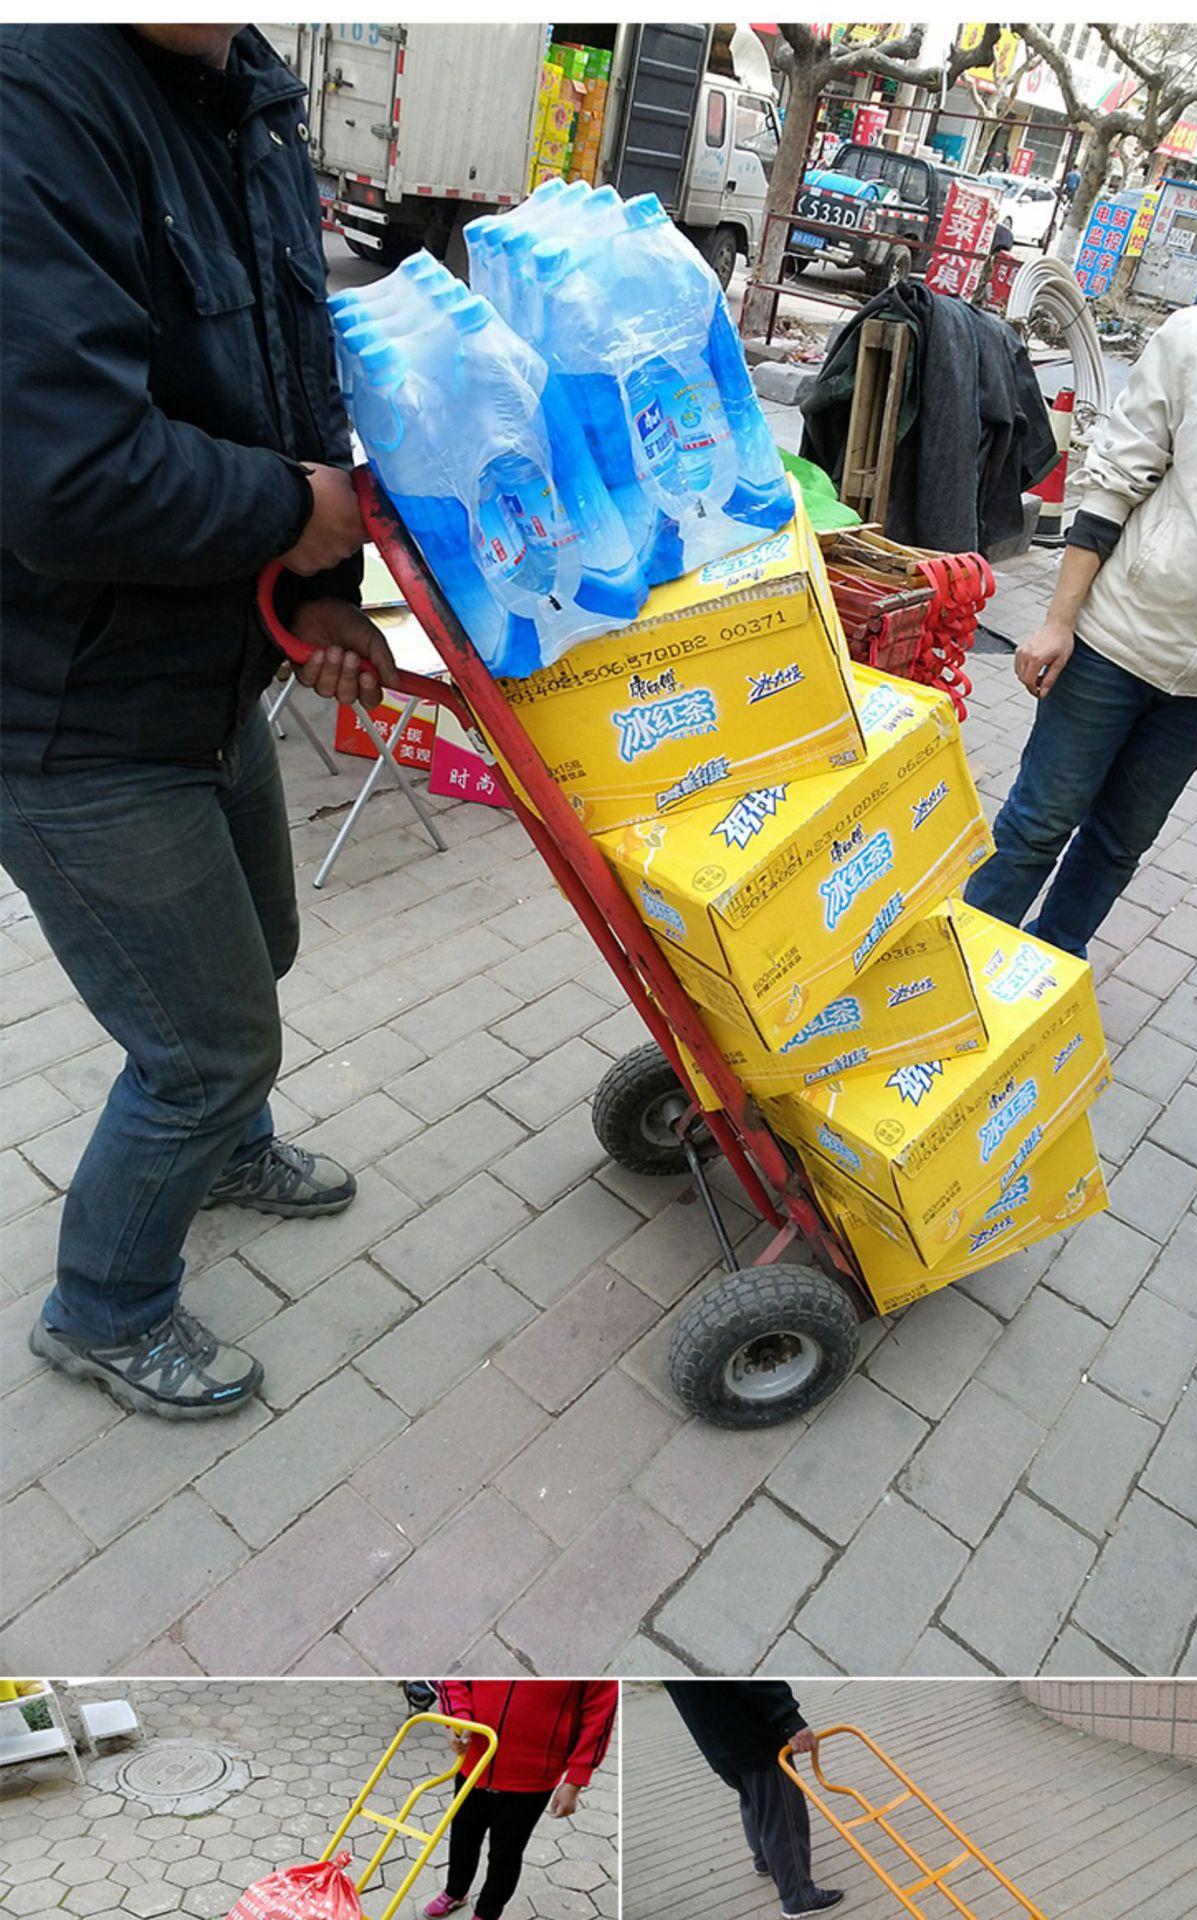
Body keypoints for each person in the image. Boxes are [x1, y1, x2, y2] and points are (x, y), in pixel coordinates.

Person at [0, 23, 400, 1417]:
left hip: (207, 675)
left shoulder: (253, 103)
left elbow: (298, 377)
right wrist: (296, 511)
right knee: (205, 1049)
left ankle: (225, 1149)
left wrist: (328, 590)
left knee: (260, 956)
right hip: (70, 711)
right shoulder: (36, 99)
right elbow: (64, 476)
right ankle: (106, 1308)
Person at [965, 298, 1197, 956]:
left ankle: (1048, 967)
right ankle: (967, 963)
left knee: (1120, 843)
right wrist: (1058, 622)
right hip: (1114, 642)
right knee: (1039, 823)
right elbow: (1114, 481)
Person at [424, 1681, 618, 1920]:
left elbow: (600, 1713)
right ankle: (456, 1891)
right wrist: (457, 1719)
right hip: (474, 1764)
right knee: (462, 1838)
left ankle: (487, 1912)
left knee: (506, 1853)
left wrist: (576, 1778)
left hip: (531, 1777)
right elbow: (454, 1678)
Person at [665, 1682, 843, 1918]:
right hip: (753, 1735)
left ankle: (765, 1859)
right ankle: (800, 1897)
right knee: (782, 1813)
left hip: (712, 1735)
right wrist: (789, 1718)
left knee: (752, 1798)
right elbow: (751, 1679)